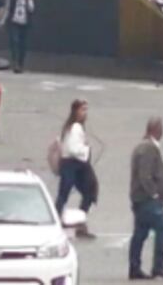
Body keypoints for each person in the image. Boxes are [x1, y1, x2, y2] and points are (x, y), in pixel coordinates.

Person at [129, 117, 163, 280]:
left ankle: (135, 268)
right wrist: (154, 194)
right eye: (161, 128)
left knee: (140, 233)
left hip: (141, 200)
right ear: (155, 130)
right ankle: (158, 267)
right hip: (147, 200)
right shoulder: (148, 149)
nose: (162, 132)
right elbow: (145, 175)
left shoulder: (146, 147)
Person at [55, 99, 97, 239]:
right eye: (82, 110)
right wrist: (86, 149)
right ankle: (58, 223)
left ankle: (78, 223)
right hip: (73, 164)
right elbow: (73, 149)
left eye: (86, 110)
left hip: (73, 164)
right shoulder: (74, 128)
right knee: (68, 194)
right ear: (75, 111)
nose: (85, 113)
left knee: (86, 192)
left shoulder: (73, 127)